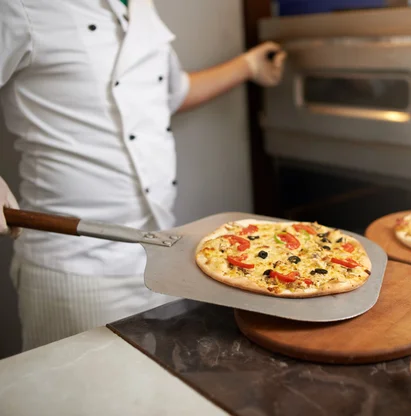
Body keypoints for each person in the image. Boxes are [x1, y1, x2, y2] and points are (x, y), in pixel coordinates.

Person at [0, 0, 286, 351]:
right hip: (77, 269)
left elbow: (171, 92)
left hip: (159, 256)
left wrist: (248, 66)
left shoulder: (140, 6)